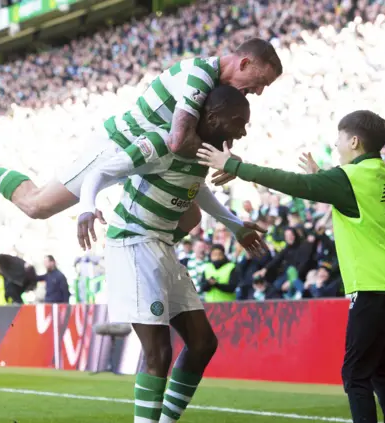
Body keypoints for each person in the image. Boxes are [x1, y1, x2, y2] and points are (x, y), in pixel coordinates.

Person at [0, 38, 282, 241]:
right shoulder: (198, 75)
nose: (259, 92)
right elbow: (177, 142)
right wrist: (223, 161)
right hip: (120, 146)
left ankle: (154, 277)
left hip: (152, 157)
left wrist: (232, 216)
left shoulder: (223, 93)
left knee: (189, 218)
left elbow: (189, 156)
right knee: (37, 206)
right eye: (260, 82)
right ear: (244, 63)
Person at [197, 110, 385, 423]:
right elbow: (345, 191)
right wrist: (321, 176)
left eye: (340, 138)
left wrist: (234, 166)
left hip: (372, 282)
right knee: (381, 369)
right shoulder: (380, 172)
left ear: (353, 141)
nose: (337, 143)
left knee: (355, 375)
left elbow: (291, 183)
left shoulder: (348, 179)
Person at [76, 85, 267, 423]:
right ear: (212, 116)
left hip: (162, 244)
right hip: (133, 242)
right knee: (158, 354)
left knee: (203, 343)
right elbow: (99, 172)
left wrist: (236, 226)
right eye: (238, 122)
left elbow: (199, 191)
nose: (241, 131)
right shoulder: (163, 143)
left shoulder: (200, 152)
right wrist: (86, 208)